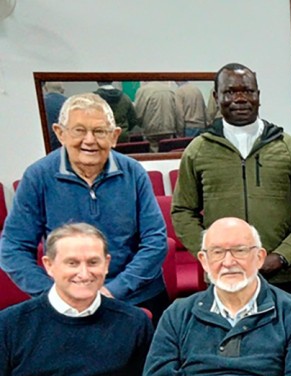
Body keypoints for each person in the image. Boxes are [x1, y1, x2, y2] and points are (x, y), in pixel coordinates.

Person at [0, 93, 170, 323]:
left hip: (137, 299)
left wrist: (113, 291)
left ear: (115, 136)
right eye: (79, 130)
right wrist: (53, 293)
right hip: (66, 305)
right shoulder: (38, 177)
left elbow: (155, 240)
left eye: (99, 131)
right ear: (60, 133)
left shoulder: (134, 173)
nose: (89, 140)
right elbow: (13, 247)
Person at [140, 217, 291, 376]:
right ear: (203, 261)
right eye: (217, 252)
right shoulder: (177, 315)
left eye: (240, 250)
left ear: (260, 257)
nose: (228, 262)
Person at [171, 63, 291, 300]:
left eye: (248, 91)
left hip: (281, 278)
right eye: (230, 92)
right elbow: (182, 211)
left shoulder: (288, 147)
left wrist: (284, 255)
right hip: (223, 277)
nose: (240, 98)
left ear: (258, 96)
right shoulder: (198, 151)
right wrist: (212, 252)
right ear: (216, 96)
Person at [0, 223, 153, 376]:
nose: (83, 273)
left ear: (106, 264)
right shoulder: (9, 324)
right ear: (49, 265)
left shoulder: (134, 323)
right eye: (72, 263)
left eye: (93, 262)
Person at [134, 81, 183, 152]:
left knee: (153, 155)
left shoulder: (143, 91)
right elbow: (178, 113)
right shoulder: (170, 91)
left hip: (151, 129)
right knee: (167, 152)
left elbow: (138, 113)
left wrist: (140, 125)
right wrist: (179, 130)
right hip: (169, 128)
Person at [43, 81, 66, 151]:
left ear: (45, 88)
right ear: (62, 89)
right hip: (64, 146)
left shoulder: (40, 103)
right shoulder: (69, 103)